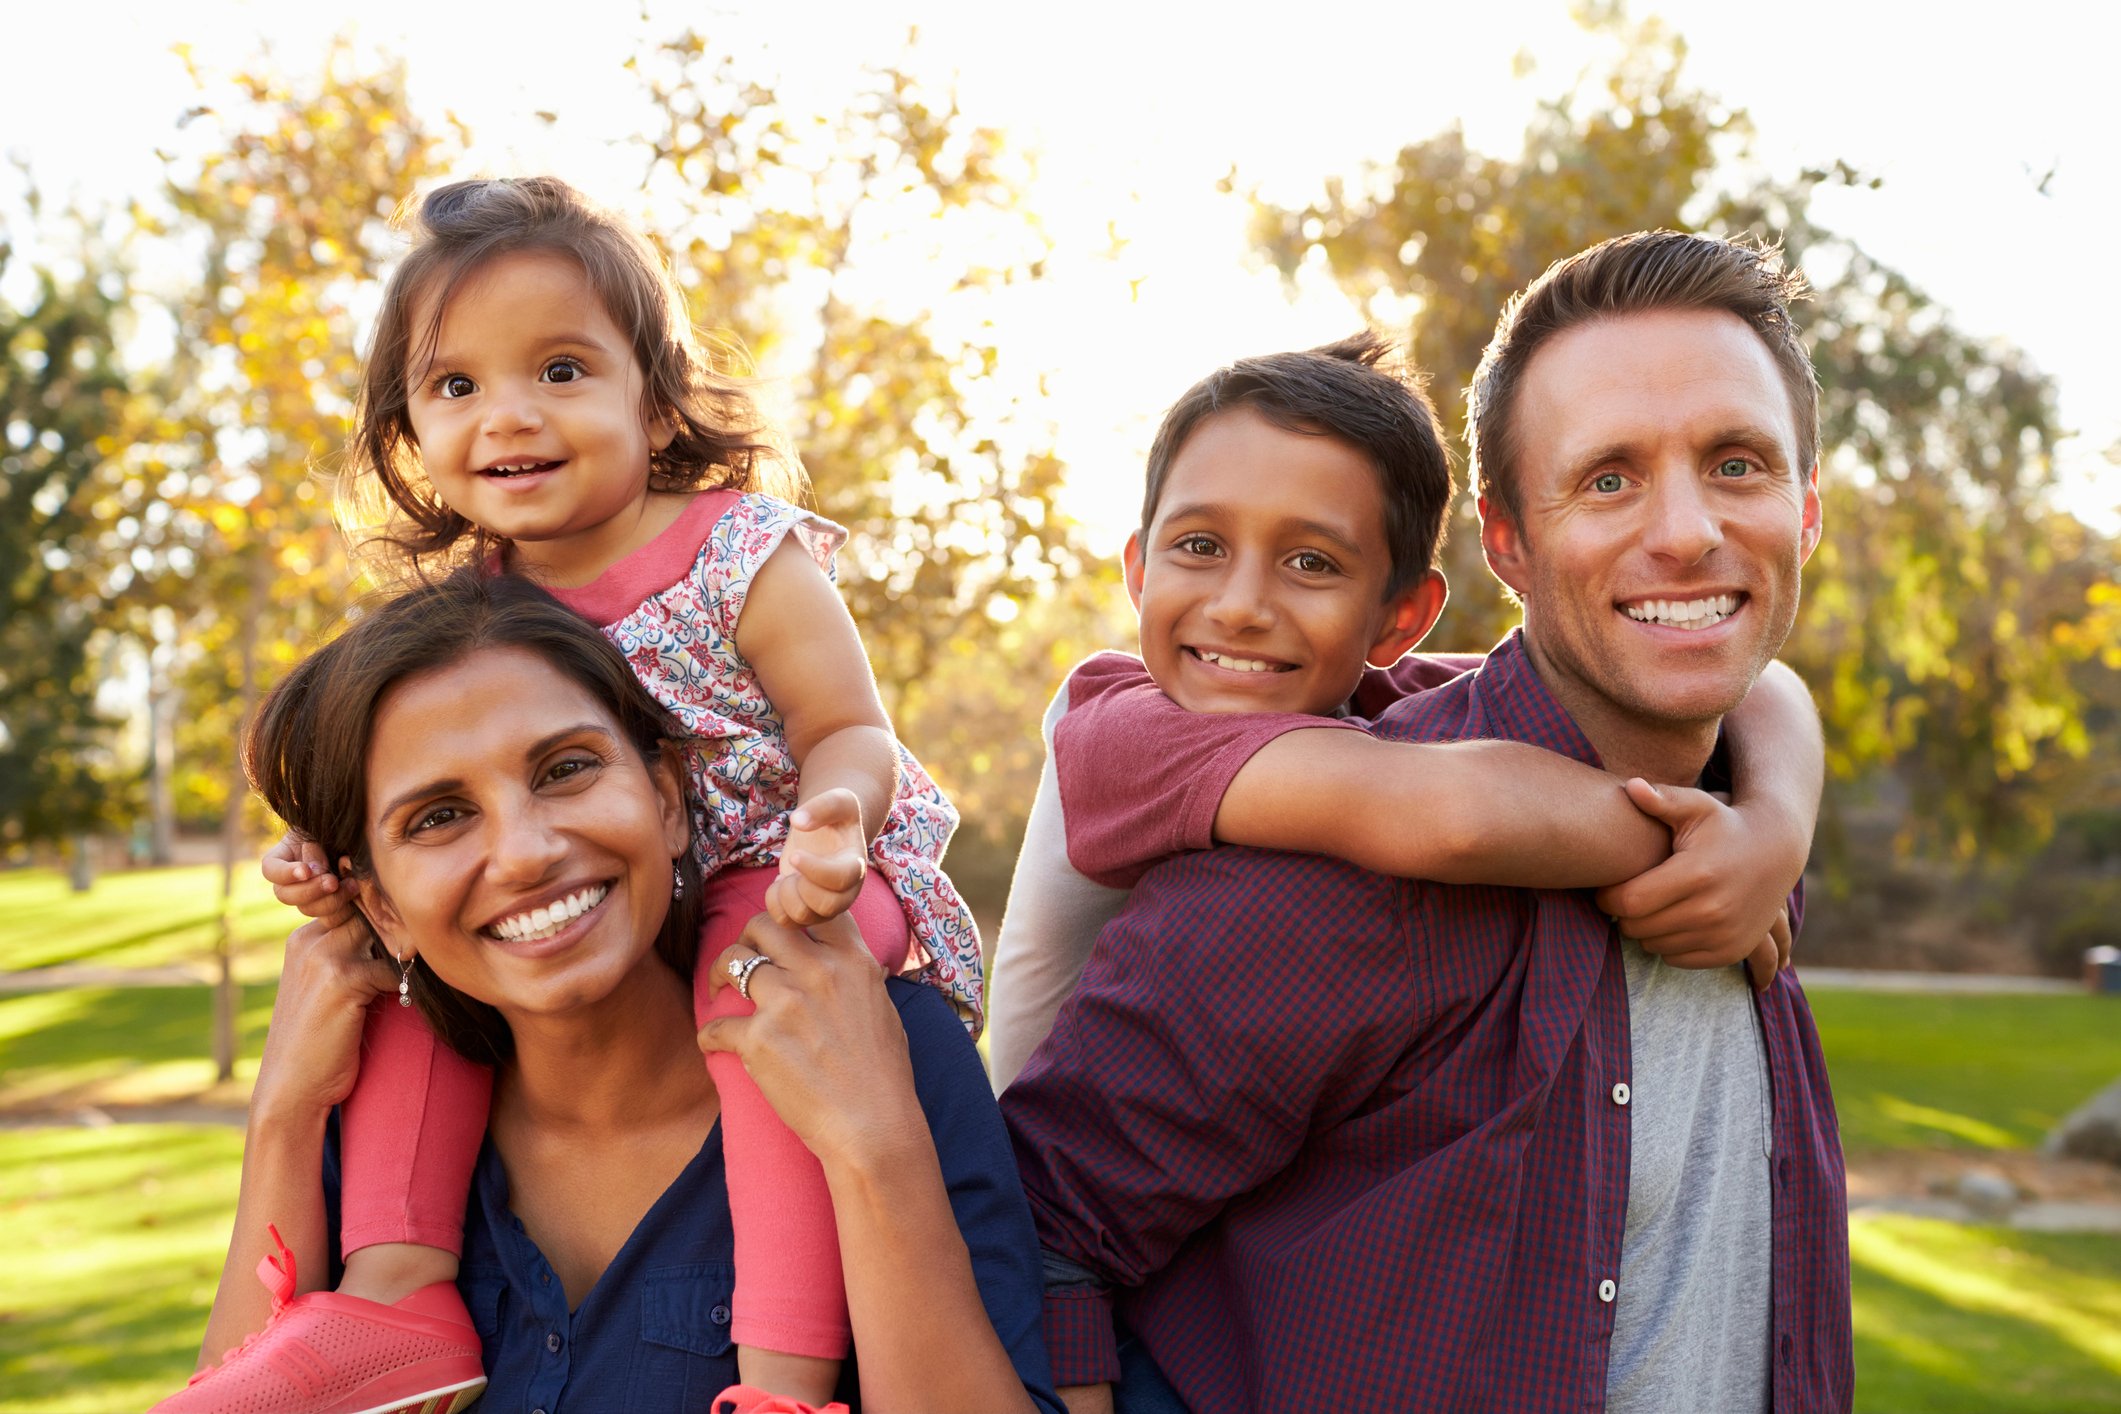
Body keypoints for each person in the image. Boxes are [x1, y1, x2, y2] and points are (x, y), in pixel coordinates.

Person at [158, 176, 983, 1414]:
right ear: (409, 439)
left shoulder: (739, 553)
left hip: (786, 869)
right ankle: (397, 1300)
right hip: (643, 888)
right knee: (412, 990)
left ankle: (779, 1376)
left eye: (559, 370)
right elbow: (379, 776)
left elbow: (849, 728)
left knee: (748, 1009)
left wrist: (832, 827)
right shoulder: (476, 608)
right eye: (457, 387)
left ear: (653, 403)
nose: (510, 416)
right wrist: (312, 864)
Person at [1002, 232, 1852, 1413]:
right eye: (1607, 477)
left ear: (1805, 512)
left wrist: (1770, 823)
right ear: (1510, 542)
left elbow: (1772, 691)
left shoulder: (1748, 818)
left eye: (1738, 464)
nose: (1686, 532)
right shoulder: (1329, 857)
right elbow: (1037, 1223)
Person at [156, 570, 1059, 1414]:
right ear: (381, 909)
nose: (526, 852)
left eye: (565, 769)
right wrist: (283, 1112)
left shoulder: (871, 1045)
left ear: (668, 799)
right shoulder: (364, 1134)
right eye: (438, 817)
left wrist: (873, 1147)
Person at [988, 332, 1815, 1093]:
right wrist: (1704, 851)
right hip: (1037, 1219)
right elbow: (1458, 813)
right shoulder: (1116, 726)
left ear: (1399, 620)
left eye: (1310, 562)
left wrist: (1771, 829)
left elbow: (1767, 684)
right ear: (1137, 569)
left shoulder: (1373, 698)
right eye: (1200, 546)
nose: (1239, 606)